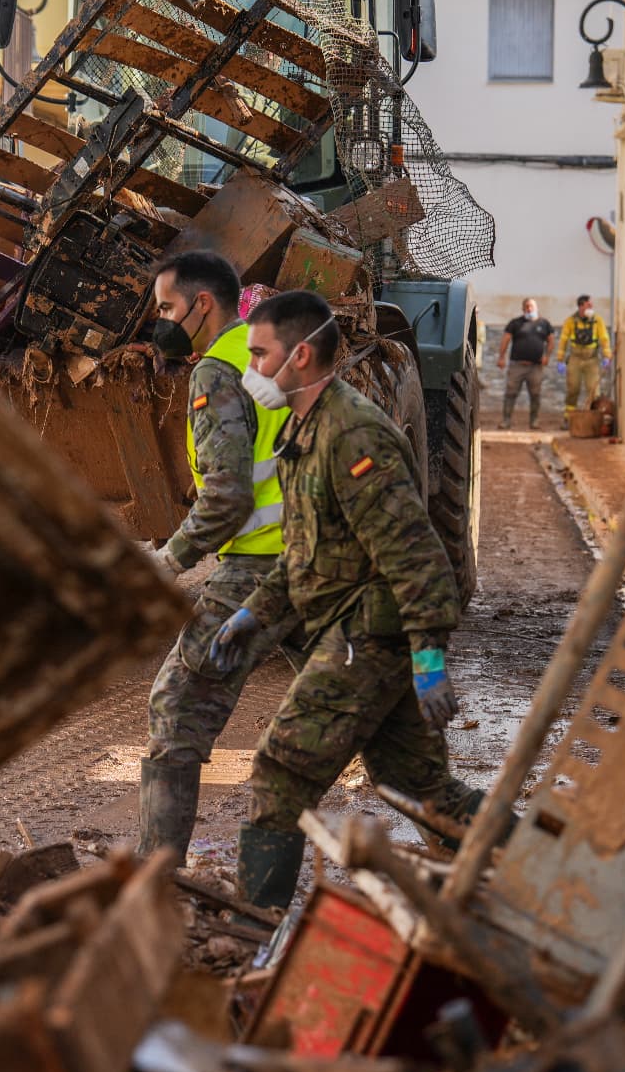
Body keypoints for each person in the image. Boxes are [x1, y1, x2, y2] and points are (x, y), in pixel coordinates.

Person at [208, 289, 488, 912]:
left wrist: (428, 663)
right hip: (357, 625)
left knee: (280, 773)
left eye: (258, 355)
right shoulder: (304, 431)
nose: (248, 369)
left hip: (370, 636)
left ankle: (255, 928)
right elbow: (306, 553)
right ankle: (531, 870)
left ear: (300, 355)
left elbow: (419, 559)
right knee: (417, 786)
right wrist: (253, 614)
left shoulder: (354, 434)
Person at [139, 250, 300, 865]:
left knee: (176, 709)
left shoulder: (216, 371)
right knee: (373, 722)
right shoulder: (274, 356)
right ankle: (476, 851)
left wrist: (169, 563)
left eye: (166, 308)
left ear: (201, 304)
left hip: (262, 568)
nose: (162, 321)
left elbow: (227, 497)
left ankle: (156, 879)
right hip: (324, 560)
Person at [497, 298, 553, 430]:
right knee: (510, 393)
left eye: (532, 306)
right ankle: (506, 421)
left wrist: (547, 356)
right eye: (527, 307)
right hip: (517, 366)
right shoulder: (515, 323)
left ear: (536, 307)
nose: (529, 309)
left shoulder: (544, 324)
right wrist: (501, 357)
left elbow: (551, 341)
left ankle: (534, 421)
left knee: (535, 394)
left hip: (536, 367)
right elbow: (506, 339)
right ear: (523, 309)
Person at [556, 294, 611, 414]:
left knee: (593, 390)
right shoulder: (570, 321)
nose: (591, 308)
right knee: (573, 389)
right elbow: (563, 340)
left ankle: (593, 417)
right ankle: (569, 417)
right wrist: (560, 360)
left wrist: (607, 356)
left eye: (591, 305)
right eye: (588, 305)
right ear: (581, 306)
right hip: (575, 360)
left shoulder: (597, 320)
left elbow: (604, 338)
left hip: (592, 360)